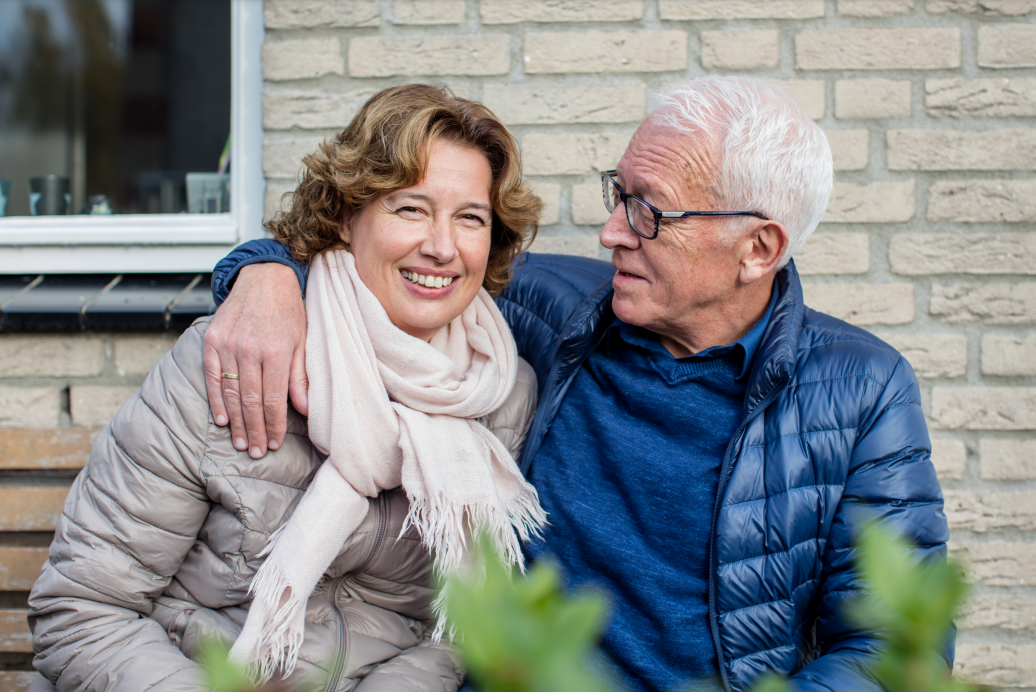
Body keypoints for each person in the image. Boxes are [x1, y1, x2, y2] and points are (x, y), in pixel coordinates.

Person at [203, 76, 951, 692]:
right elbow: (388, 258)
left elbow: (893, 654)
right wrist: (265, 271)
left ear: (758, 248)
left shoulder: (859, 392)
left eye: (647, 211)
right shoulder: (550, 311)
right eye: (616, 193)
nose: (611, 232)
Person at [27, 84, 546, 692]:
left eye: (470, 218)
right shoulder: (236, 354)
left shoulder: (500, 392)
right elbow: (84, 610)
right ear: (347, 217)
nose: (441, 246)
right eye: (409, 208)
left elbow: (455, 634)